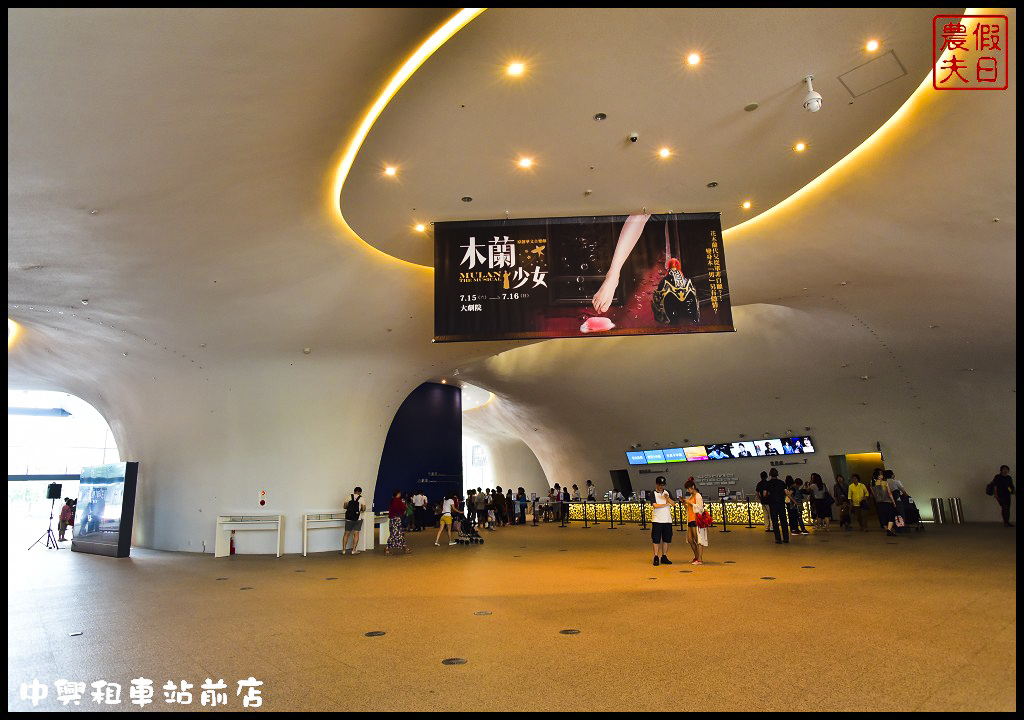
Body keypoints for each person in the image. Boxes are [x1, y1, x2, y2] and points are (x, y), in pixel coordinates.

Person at [649, 477, 675, 566]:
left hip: (667, 520)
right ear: (656, 484)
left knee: (666, 539)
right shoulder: (653, 493)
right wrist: (665, 504)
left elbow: (673, 504)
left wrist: (667, 498)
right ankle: (656, 556)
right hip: (657, 520)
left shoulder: (667, 492)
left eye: (663, 485)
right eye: (660, 485)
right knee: (656, 539)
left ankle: (664, 556)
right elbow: (655, 505)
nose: (661, 487)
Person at [683, 478, 707, 564]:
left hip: (696, 520)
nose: (688, 490)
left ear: (693, 487)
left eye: (689, 488)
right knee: (690, 539)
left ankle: (699, 559)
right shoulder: (690, 497)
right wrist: (684, 503)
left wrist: (689, 503)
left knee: (698, 539)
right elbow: (688, 509)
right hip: (690, 519)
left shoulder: (698, 496)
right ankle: (696, 556)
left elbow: (700, 508)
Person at [765, 468, 789, 544]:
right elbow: (786, 492)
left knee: (775, 521)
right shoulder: (781, 483)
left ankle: (778, 539)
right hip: (781, 503)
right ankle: (786, 538)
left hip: (772, 504)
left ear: (770, 475)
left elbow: (764, 494)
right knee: (783, 521)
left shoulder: (768, 484)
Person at [341, 487, 367, 554]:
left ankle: (343, 550)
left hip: (349, 518)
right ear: (360, 492)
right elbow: (363, 509)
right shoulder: (361, 498)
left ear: (354, 491)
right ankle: (354, 550)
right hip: (358, 518)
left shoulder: (349, 497)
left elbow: (344, 506)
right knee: (356, 533)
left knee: (346, 533)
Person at [872, 471, 899, 536]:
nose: (882, 475)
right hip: (887, 501)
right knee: (890, 516)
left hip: (879, 503)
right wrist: (893, 502)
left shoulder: (873, 484)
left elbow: (874, 494)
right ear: (878, 476)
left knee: (883, 516)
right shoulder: (884, 483)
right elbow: (889, 493)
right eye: (881, 474)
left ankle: (887, 530)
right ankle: (889, 530)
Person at [385, 490, 411, 555]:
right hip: (397, 519)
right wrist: (405, 507)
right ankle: (388, 548)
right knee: (398, 533)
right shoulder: (397, 501)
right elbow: (403, 508)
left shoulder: (392, 500)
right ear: (398, 494)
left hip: (392, 519)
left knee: (395, 533)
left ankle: (404, 547)